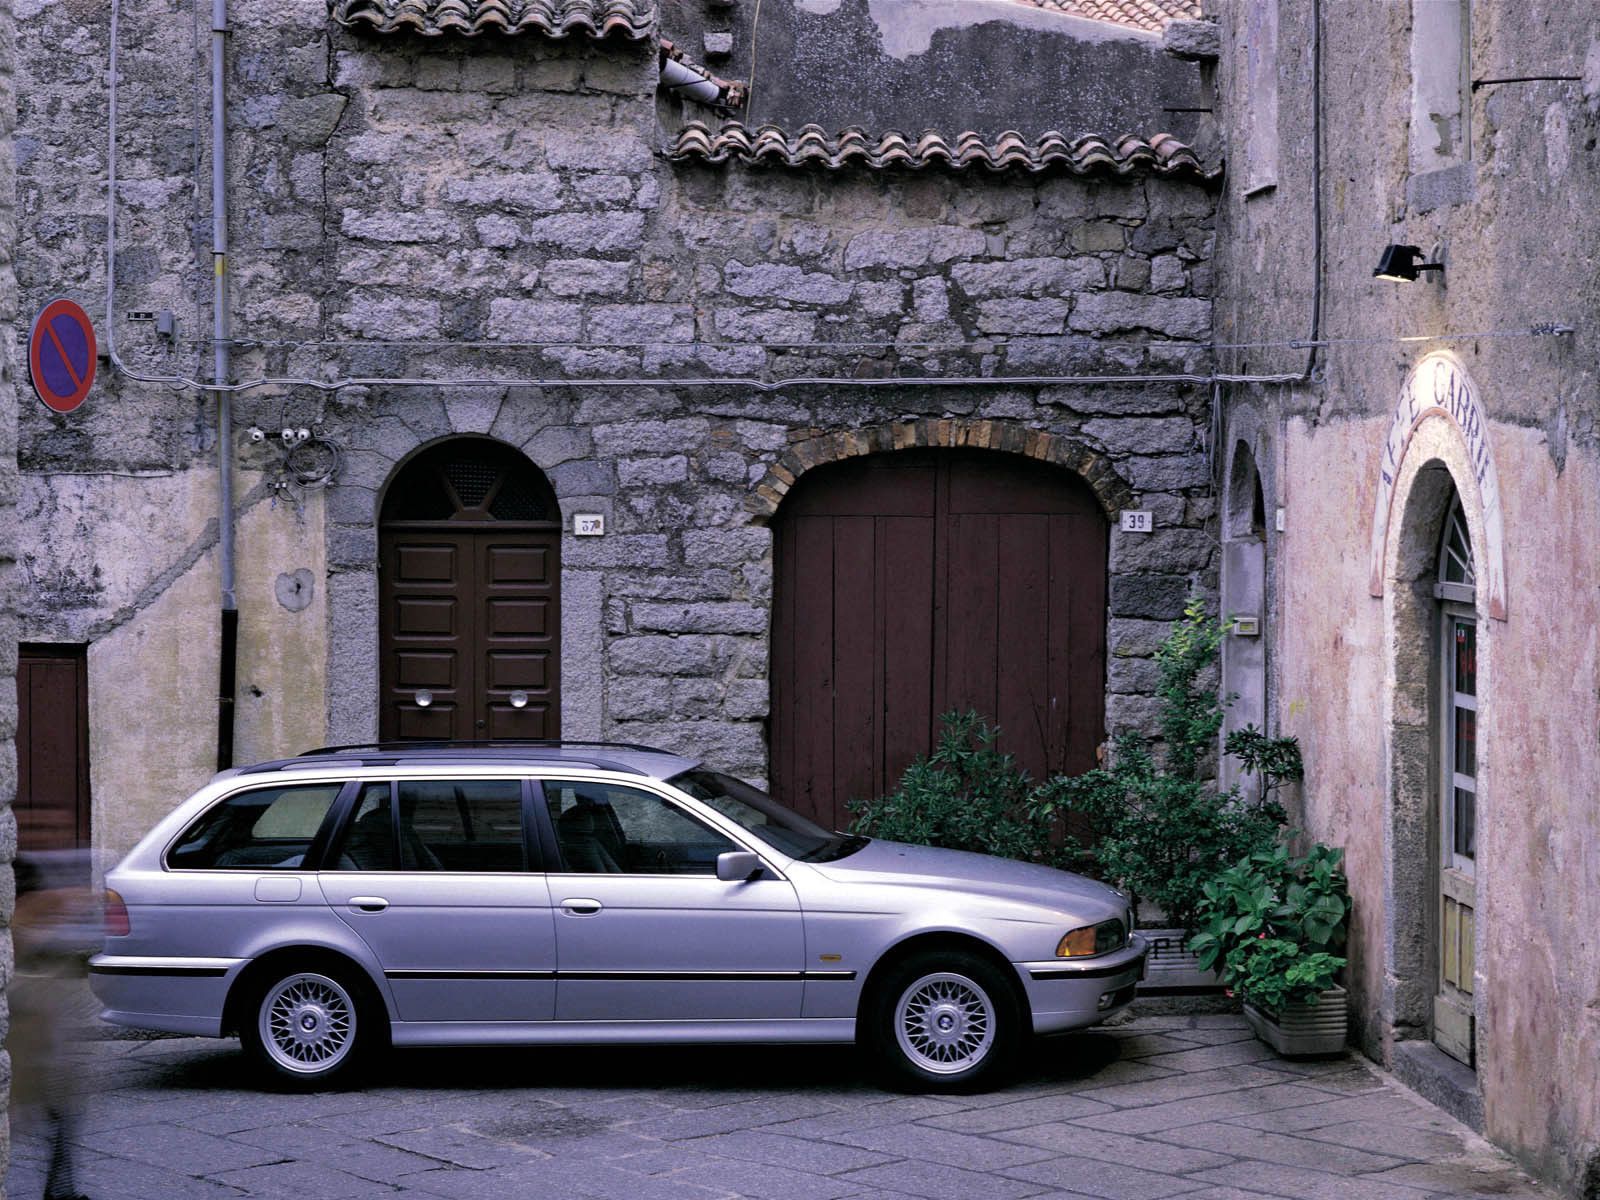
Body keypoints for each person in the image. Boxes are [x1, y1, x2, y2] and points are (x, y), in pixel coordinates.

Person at [10, 851, 99, 1200]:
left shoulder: (35, 920)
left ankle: (61, 1189)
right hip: (31, 1042)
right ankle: (60, 1190)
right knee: (37, 1114)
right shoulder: (23, 923)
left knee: (63, 1112)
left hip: (45, 1041)